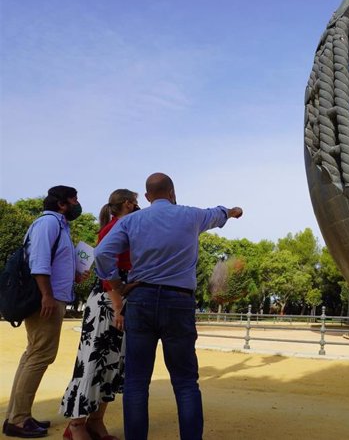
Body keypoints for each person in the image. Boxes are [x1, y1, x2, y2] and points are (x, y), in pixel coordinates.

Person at [93, 173, 243, 440]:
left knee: (137, 383)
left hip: (141, 299)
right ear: (173, 193)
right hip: (179, 301)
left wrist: (116, 284)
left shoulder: (131, 221)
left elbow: (102, 253)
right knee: (185, 383)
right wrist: (233, 212)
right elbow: (219, 213)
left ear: (148, 197)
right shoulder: (191, 216)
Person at [59, 189, 139, 440]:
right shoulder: (115, 229)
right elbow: (106, 270)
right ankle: (76, 424)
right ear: (129, 203)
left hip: (116, 297)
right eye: (136, 202)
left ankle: (95, 421)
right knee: (93, 362)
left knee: (111, 364)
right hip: (109, 300)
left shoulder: (121, 227)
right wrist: (117, 305)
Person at [3, 186, 82, 438]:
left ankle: (18, 415)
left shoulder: (56, 225)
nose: (77, 203)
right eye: (74, 199)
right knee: (40, 356)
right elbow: (39, 260)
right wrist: (47, 295)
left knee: (33, 355)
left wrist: (74, 274)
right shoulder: (49, 223)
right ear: (62, 204)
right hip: (45, 299)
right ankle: (18, 419)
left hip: (49, 297)